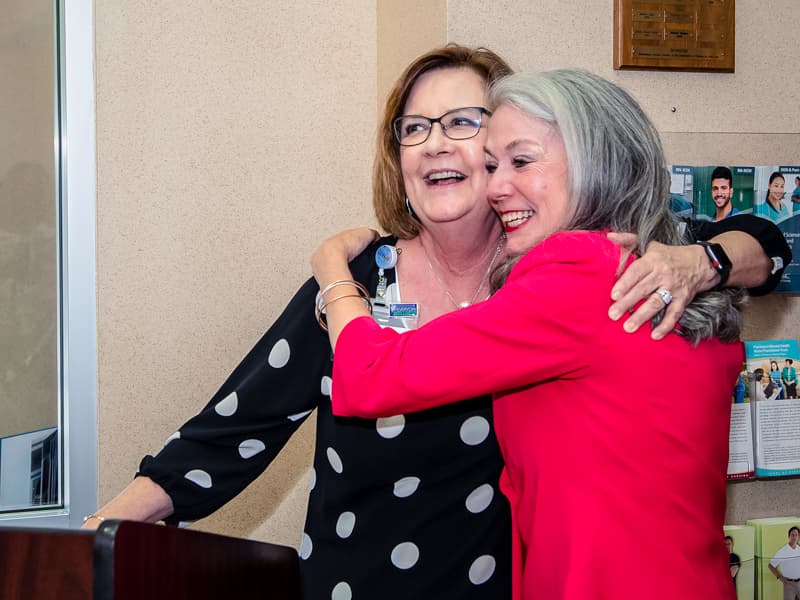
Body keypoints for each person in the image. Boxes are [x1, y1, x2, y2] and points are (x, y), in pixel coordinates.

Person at [84, 46, 788, 599]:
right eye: (414, 128)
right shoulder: (366, 282)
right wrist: (94, 537)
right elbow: (232, 433)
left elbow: (777, 239)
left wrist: (708, 258)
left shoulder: (622, 265)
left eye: (467, 125)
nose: (438, 144)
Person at [311, 69, 746, 599]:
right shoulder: (668, 270)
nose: (496, 187)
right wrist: (720, 257)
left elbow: (369, 376)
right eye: (492, 165)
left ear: (597, 164)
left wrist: (333, 270)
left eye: (521, 161)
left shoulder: (575, 274)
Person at [768, 526, 800, 600]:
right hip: (789, 584)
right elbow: (770, 565)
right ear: (789, 536)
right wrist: (780, 576)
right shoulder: (782, 551)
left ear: (798, 537)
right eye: (792, 535)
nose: (794, 537)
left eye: (796, 535)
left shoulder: (799, 549)